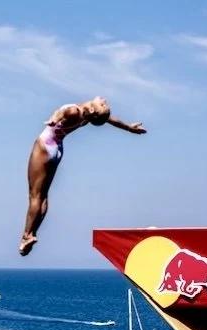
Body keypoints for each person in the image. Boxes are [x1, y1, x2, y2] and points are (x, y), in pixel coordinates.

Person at [18, 97, 146, 256]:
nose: (104, 100)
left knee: (35, 196)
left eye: (103, 104)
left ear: (93, 110)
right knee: (43, 196)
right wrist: (128, 128)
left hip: (45, 145)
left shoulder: (76, 111)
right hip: (57, 149)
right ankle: (32, 233)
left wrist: (54, 118)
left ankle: (26, 236)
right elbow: (108, 119)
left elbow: (63, 112)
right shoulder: (88, 116)